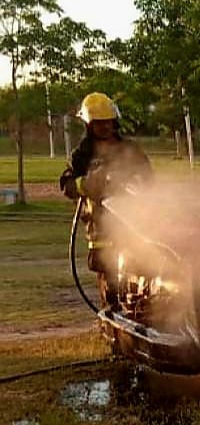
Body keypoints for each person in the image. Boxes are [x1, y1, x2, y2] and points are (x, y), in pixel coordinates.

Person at [60, 92, 153, 308]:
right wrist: (87, 183)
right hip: (101, 230)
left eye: (108, 122)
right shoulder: (82, 154)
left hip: (135, 226)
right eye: (99, 123)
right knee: (111, 286)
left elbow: (149, 178)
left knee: (142, 279)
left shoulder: (130, 149)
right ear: (89, 125)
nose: (105, 127)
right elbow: (67, 184)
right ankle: (114, 328)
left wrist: (137, 183)